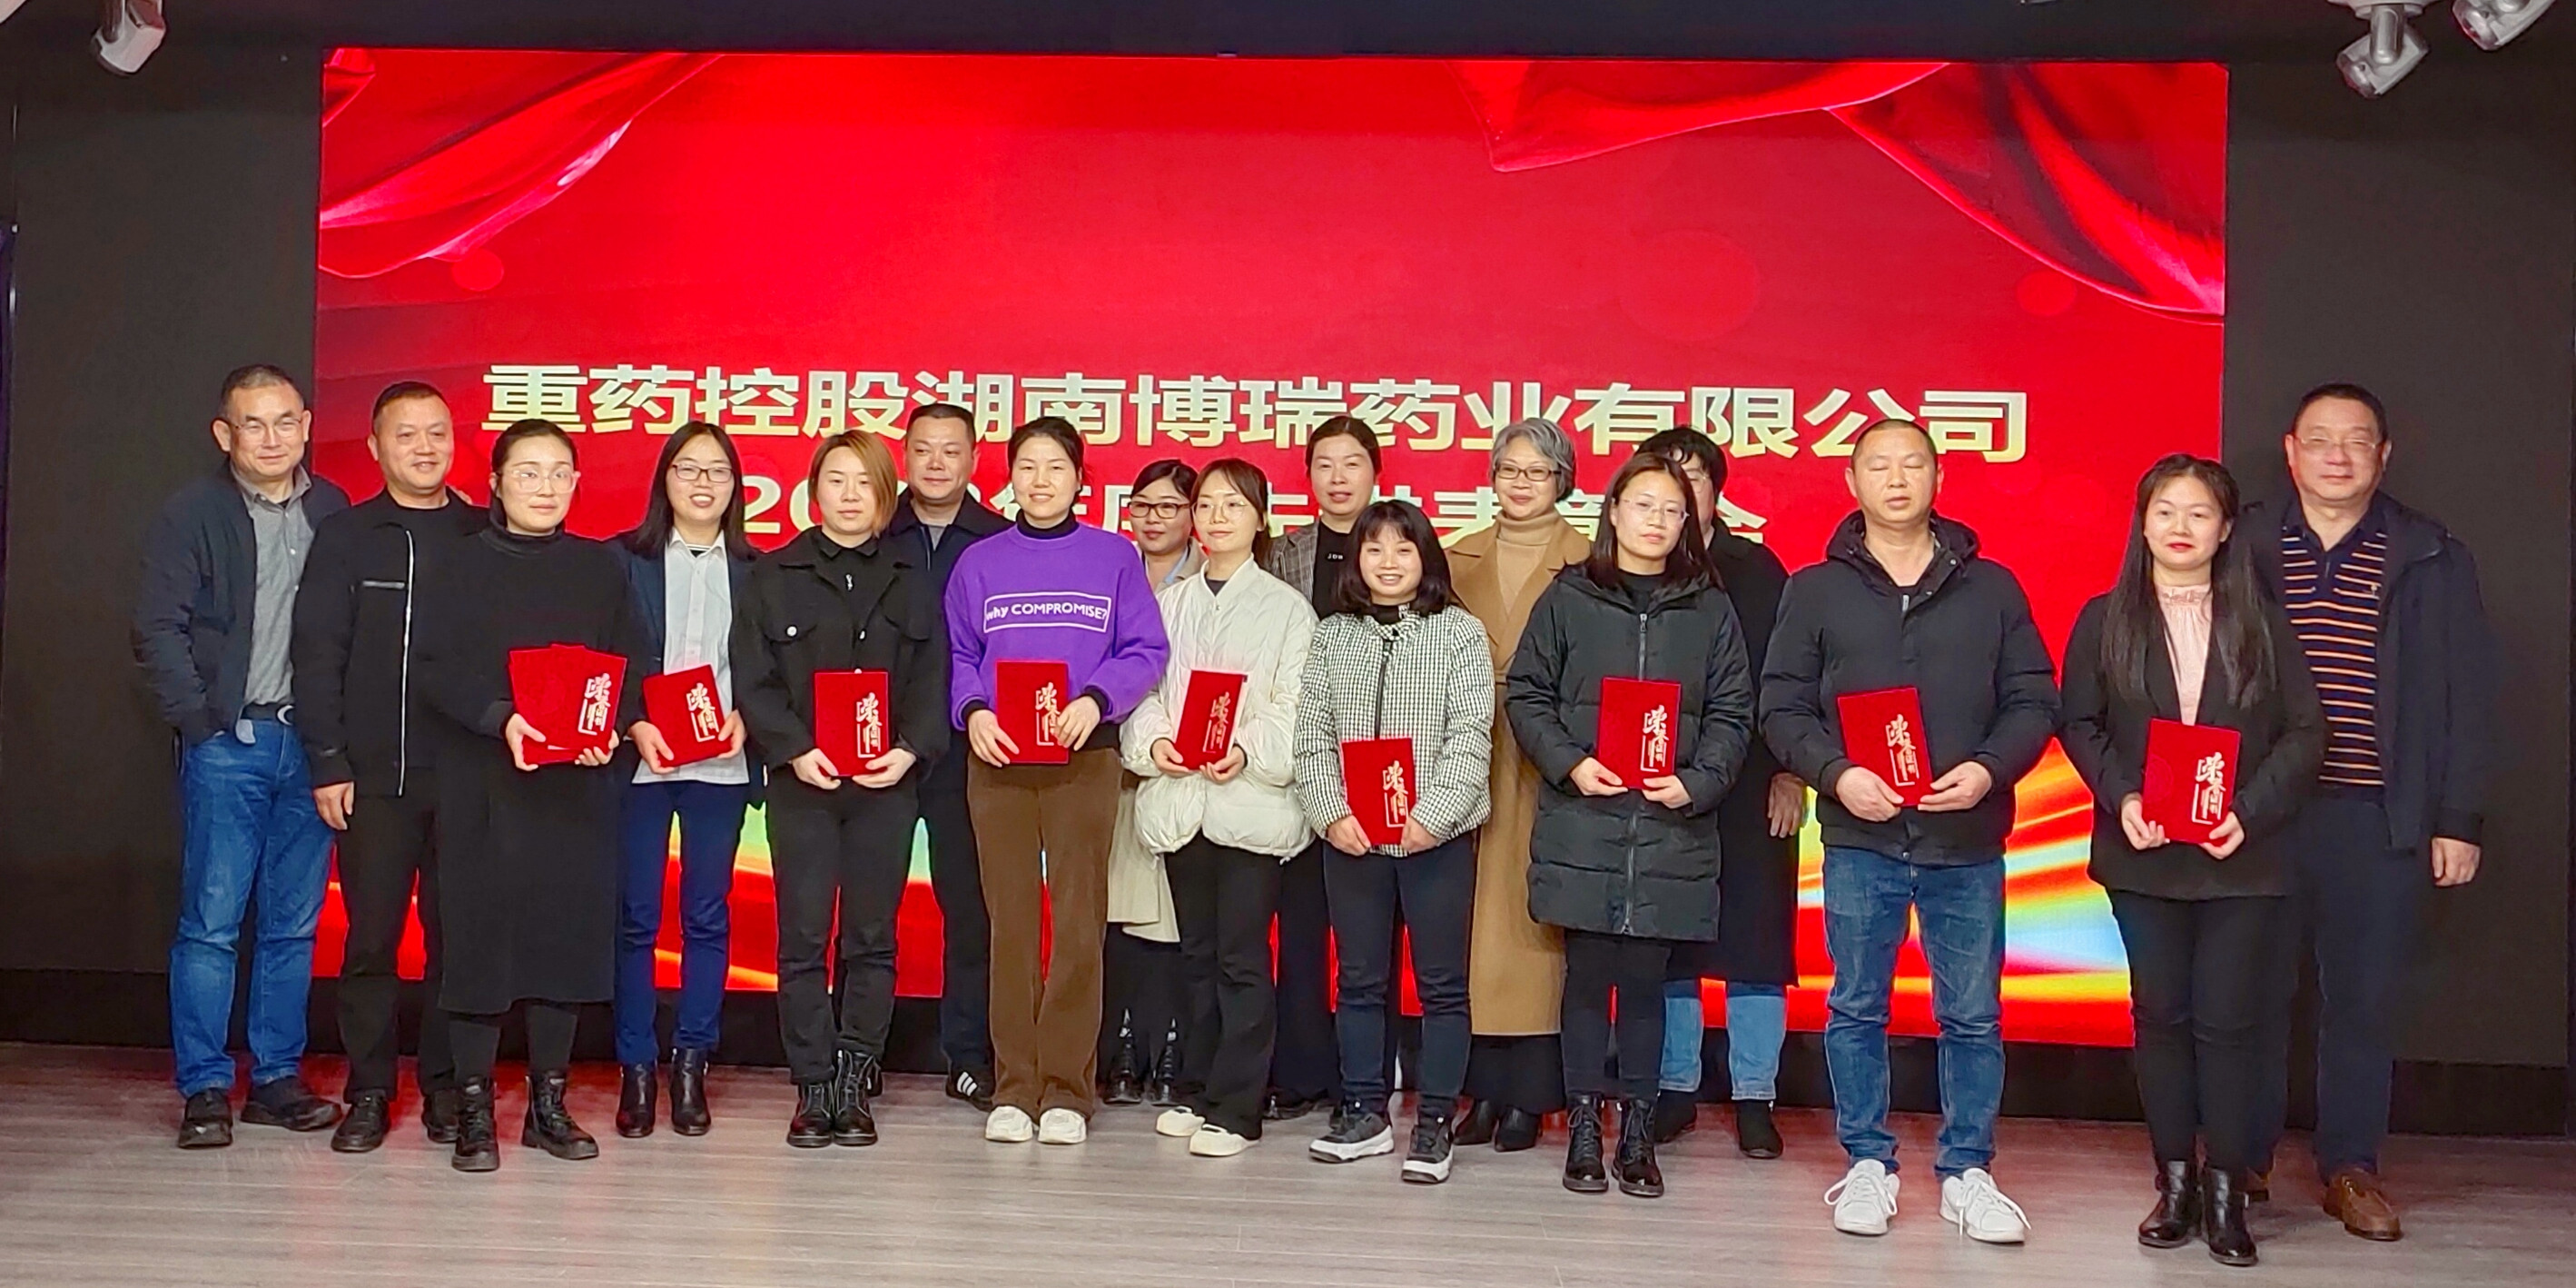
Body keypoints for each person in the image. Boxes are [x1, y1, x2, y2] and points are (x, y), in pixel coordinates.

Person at [1762, 418, 2058, 1243]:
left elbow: (2034, 697)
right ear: (1851, 483)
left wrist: (1989, 769)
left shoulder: (1990, 587)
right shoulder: (1815, 590)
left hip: (1966, 840)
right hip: (1860, 840)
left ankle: (1968, 1171)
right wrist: (1835, 774)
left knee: (1973, 1014)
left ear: (1938, 478)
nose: (1895, 480)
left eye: (1912, 465)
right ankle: (1867, 1162)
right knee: (1857, 1005)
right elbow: (1780, 705)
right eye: (1878, 466)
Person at [2061, 454, 2324, 1268]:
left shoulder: (2262, 622)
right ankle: (2172, 1183)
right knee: (2161, 1018)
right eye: (2165, 512)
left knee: (2229, 1022)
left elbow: (2305, 733)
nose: (2180, 528)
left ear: (2225, 529)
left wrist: (2246, 814)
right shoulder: (2104, 618)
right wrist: (2122, 799)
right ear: (2142, 524)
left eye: (2198, 513)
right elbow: (2079, 724)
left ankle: (2226, 1191)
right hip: (2143, 856)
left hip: (2240, 858)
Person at [2246, 384, 2494, 1242]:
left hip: (2378, 814)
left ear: (2382, 456)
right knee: (2250, 992)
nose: (2337, 456)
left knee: (2361, 1000)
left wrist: (2456, 817)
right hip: (2260, 812)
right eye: (2319, 440)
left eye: (2356, 441)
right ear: (2290, 451)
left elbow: (2468, 692)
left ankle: (2349, 1167)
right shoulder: (2244, 542)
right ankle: (2242, 1159)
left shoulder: (2430, 554)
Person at [1506, 453, 1753, 1201]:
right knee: (1585, 981)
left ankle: (1637, 1134)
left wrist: (1697, 782)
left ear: (1689, 524)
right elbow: (1527, 693)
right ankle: (1585, 1127)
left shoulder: (1709, 608)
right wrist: (1571, 764)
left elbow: (1733, 712)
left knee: (1647, 986)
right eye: (1642, 505)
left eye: (1671, 510)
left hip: (1671, 829)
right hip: (1586, 820)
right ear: (1612, 511)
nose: (1656, 520)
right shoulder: (1569, 596)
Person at [416, 418, 646, 1173]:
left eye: (558, 474)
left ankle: (548, 1106)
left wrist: (615, 726)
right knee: (477, 947)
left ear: (576, 484)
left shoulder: (600, 568)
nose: (544, 488)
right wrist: (500, 719)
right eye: (527, 472)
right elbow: (433, 669)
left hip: (574, 787)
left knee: (563, 944)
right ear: (496, 484)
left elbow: (632, 664)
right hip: (482, 782)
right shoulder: (458, 564)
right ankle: (474, 1109)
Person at [134, 363, 350, 1149]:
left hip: (314, 747)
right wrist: (201, 722)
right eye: (253, 424)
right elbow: (157, 626)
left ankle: (276, 1079)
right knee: (212, 924)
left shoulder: (332, 509)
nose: (271, 438)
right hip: (233, 742)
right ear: (224, 434)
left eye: (285, 421)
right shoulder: (192, 511)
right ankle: (204, 1087)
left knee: (293, 926)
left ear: (307, 425)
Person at [946, 416, 1171, 1146]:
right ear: (1008, 477)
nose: (1040, 480)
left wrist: (1096, 699)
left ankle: (1069, 1089)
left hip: (1083, 759)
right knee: (1009, 926)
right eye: (1027, 467)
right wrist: (973, 711)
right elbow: (959, 653)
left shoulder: (1113, 558)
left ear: (1080, 479)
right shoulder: (979, 562)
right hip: (1000, 762)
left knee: (1078, 925)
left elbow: (1145, 647)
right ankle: (1015, 1085)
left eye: (1055, 467)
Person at [735, 431, 947, 1148]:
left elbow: (932, 680)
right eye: (836, 480)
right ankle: (813, 1084)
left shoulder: (911, 578)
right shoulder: (774, 575)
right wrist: (795, 750)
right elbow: (753, 679)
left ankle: (855, 1081)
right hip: (804, 785)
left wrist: (908, 750)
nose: (850, 495)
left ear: (885, 494)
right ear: (813, 490)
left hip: (884, 787)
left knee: (871, 938)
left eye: (864, 482)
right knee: (801, 938)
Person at [291, 380, 483, 1154]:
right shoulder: (348, 535)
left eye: (437, 432)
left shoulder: (481, 533)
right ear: (375, 447)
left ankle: (445, 1089)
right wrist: (327, 760)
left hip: (465, 781)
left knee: (455, 941)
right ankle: (369, 1090)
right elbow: (316, 655)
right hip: (372, 780)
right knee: (371, 943)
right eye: (407, 434)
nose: (425, 447)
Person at [1296, 500, 1494, 1184]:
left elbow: (1471, 735)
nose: (1387, 562)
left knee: (1441, 986)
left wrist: (1434, 816)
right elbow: (1312, 734)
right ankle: (1364, 1111)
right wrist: (1330, 814)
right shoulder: (1332, 635)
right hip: (1352, 838)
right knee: (1358, 981)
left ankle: (1434, 1121)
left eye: (1402, 549)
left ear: (1425, 558)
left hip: (1435, 839)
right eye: (1373, 549)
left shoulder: (1460, 633)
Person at [1123, 461, 1315, 1157]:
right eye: (1205, 505)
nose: (1216, 517)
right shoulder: (1167, 605)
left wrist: (1243, 749)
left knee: (1241, 959)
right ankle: (1197, 1089)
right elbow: (1141, 692)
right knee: (1195, 957)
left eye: (1233, 505)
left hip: (1249, 806)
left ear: (1260, 518)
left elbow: (1296, 705)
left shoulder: (1287, 609)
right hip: (1183, 801)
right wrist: (1158, 744)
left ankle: (1237, 1106)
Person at [1635, 427, 1804, 1158]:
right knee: (1670, 941)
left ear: (1716, 491)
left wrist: (1792, 771)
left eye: (1694, 477)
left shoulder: (1756, 569)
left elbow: (1793, 678)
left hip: (1753, 783)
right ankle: (1674, 1088)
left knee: (1754, 942)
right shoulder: (1635, 568)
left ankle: (1754, 1095)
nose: (1679, 490)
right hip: (1659, 781)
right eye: (1664, 477)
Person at [611, 422, 756, 1140]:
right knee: (635, 918)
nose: (703, 483)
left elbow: (769, 668)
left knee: (706, 916)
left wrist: (749, 718)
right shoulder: (621, 561)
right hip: (641, 760)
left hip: (720, 765)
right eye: (688, 469)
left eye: (717, 471)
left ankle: (691, 1062)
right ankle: (635, 1067)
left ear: (737, 487)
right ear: (663, 480)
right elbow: (602, 657)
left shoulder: (758, 570)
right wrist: (632, 722)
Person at [1446, 418, 1587, 1153]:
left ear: (1563, 480)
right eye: (1509, 469)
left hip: (1553, 753)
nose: (1521, 483)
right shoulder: (1454, 557)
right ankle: (1481, 1090)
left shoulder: (1589, 559)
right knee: (1470, 924)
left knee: (1537, 921)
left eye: (1537, 471)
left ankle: (1532, 1094)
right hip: (1465, 748)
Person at [1258, 414, 1392, 1121]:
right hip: (1297, 761)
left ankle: (1364, 1078)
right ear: (1307, 475)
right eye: (1323, 465)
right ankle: (1301, 1070)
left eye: (1352, 464)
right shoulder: (1280, 555)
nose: (1338, 479)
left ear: (1375, 473)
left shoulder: (1400, 548)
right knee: (1300, 926)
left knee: (1372, 938)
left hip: (1380, 763)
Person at [883, 401, 1013, 1111]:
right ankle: (857, 1055)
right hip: (879, 747)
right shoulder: (874, 531)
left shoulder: (999, 541)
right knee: (868, 909)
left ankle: (970, 1056)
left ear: (973, 458)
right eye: (923, 449)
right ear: (903, 456)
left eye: (950, 450)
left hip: (969, 751)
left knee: (971, 910)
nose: (936, 463)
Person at [1101, 460, 1202, 1107]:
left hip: (1189, 768)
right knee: (1115, 912)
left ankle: (1171, 1044)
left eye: (1169, 506)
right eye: (1142, 505)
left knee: (1173, 919)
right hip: (1110, 762)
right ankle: (1120, 1046)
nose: (1153, 519)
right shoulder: (1107, 571)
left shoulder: (1212, 580)